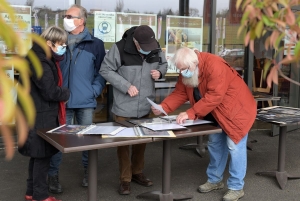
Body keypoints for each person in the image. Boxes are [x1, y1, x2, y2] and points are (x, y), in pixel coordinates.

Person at [151, 47, 257, 201]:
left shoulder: (215, 65)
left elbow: (215, 96)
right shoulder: (188, 67)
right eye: (179, 69)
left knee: (235, 147)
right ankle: (214, 180)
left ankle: (236, 187)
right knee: (215, 144)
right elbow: (180, 92)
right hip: (215, 112)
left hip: (236, 111)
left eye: (184, 69)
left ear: (195, 62)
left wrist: (190, 113)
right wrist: (163, 108)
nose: (182, 73)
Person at [100, 25, 168, 195]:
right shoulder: (119, 48)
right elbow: (105, 69)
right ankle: (125, 179)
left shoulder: (154, 45)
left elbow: (164, 64)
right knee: (123, 145)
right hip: (124, 106)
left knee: (141, 142)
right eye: (143, 47)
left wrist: (160, 73)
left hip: (146, 105)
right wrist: (126, 86)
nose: (148, 50)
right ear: (136, 42)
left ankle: (137, 172)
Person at [48, 4, 106, 192]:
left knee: (88, 141)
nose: (66, 18)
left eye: (69, 16)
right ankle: (52, 176)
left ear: (81, 20)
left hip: (85, 102)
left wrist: (94, 90)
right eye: (65, 15)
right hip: (62, 101)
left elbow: (102, 72)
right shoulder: (58, 41)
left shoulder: (95, 44)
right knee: (59, 140)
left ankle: (89, 173)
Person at [19, 26, 70, 201]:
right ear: (49, 43)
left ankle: (31, 192)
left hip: (35, 113)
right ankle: (40, 196)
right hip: (40, 115)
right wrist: (66, 93)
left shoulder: (36, 56)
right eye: (61, 44)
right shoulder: (41, 61)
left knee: (36, 155)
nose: (63, 47)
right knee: (42, 156)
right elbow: (49, 91)